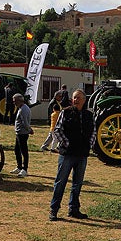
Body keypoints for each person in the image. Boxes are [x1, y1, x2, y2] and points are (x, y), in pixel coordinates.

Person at [49, 89, 94, 221]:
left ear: (84, 100)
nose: (76, 100)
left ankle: (74, 209)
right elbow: (58, 130)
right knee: (60, 182)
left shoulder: (88, 115)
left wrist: (89, 145)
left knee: (77, 183)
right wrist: (67, 143)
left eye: (79, 98)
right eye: (74, 98)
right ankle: (54, 210)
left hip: (82, 155)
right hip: (67, 154)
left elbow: (94, 131)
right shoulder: (65, 112)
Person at [11, 93, 32, 177]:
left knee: (24, 151)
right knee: (17, 150)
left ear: (19, 101)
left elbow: (25, 122)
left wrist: (29, 130)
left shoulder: (24, 109)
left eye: (14, 101)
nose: (13, 103)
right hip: (19, 133)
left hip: (23, 133)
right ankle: (19, 167)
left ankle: (25, 169)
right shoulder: (21, 108)